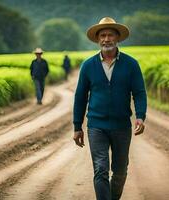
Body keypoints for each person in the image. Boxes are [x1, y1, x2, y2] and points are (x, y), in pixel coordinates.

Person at [73, 17, 147, 200]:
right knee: (100, 168)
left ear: (117, 38)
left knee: (120, 171)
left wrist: (140, 116)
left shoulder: (131, 64)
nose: (106, 39)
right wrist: (77, 126)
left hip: (122, 126)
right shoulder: (88, 65)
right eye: (103, 35)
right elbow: (80, 97)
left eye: (110, 35)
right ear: (98, 39)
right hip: (96, 126)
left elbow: (139, 92)